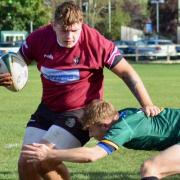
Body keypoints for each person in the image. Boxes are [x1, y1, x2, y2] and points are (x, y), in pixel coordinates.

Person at [0, 1, 160, 180]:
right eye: (63, 30)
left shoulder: (95, 42)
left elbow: (127, 73)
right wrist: (6, 73)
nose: (69, 36)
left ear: (81, 25)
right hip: (47, 109)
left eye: (74, 30)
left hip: (80, 113)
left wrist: (147, 104)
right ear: (53, 25)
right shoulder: (38, 38)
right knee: (25, 162)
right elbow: (15, 62)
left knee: (43, 160)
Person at [22, 99, 180, 180]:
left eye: (91, 129)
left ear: (104, 125)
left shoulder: (123, 127)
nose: (90, 135)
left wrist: (49, 154)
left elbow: (92, 155)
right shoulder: (120, 116)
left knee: (150, 168)